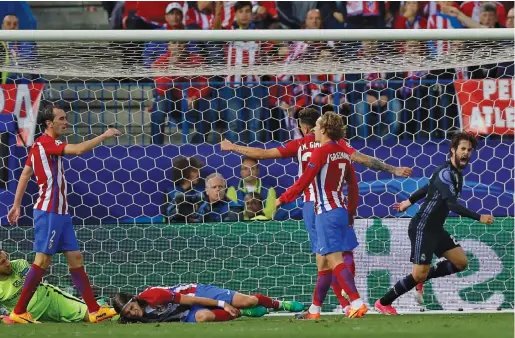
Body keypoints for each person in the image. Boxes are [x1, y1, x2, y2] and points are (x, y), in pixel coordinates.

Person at [221, 107, 412, 319]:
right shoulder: (342, 146)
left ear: (307, 128)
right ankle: (316, 309)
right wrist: (391, 170)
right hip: (340, 206)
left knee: (329, 258)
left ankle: (352, 302)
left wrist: (233, 147)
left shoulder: (306, 145)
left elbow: (268, 157)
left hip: (318, 207)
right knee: (337, 256)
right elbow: (360, 169)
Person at [6, 104, 121, 324]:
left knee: (75, 258)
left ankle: (95, 310)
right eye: (61, 118)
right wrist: (104, 135)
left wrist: (16, 204)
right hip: (49, 211)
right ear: (49, 123)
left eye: (65, 118)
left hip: (61, 213)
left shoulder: (40, 145)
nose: (65, 122)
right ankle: (19, 311)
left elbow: (26, 173)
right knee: (42, 260)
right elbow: (78, 150)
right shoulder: (46, 143)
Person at [375, 132, 494, 315]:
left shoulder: (454, 173)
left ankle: (424, 277)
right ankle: (384, 302)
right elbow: (451, 204)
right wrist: (479, 217)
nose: (466, 153)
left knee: (461, 262)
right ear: (453, 150)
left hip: (436, 228)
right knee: (417, 275)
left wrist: (409, 201)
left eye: (469, 150)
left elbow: (428, 187)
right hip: (423, 227)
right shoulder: (446, 173)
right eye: (463, 149)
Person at [275, 112, 366, 318]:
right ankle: (314, 310)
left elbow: (304, 181)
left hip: (325, 212)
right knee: (325, 262)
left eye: (316, 126)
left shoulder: (321, 152)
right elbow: (353, 186)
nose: (313, 130)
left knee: (334, 260)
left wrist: (283, 198)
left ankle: (356, 302)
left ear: (324, 130)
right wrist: (350, 213)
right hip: (341, 210)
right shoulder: (343, 152)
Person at [0, 249, 97, 324]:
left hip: (51, 300)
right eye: (2, 262)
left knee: (93, 316)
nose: (8, 263)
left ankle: (105, 307)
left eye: (6, 258)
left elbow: (32, 283)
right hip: (26, 317)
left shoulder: (20, 265)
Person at [112, 283, 304, 323]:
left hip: (196, 293)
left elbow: (192, 299)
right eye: (128, 312)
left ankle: (280, 304)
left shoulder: (154, 296)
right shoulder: (134, 319)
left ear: (135, 299)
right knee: (203, 317)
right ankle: (241, 313)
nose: (133, 312)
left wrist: (222, 304)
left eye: (132, 307)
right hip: (185, 313)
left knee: (249, 300)